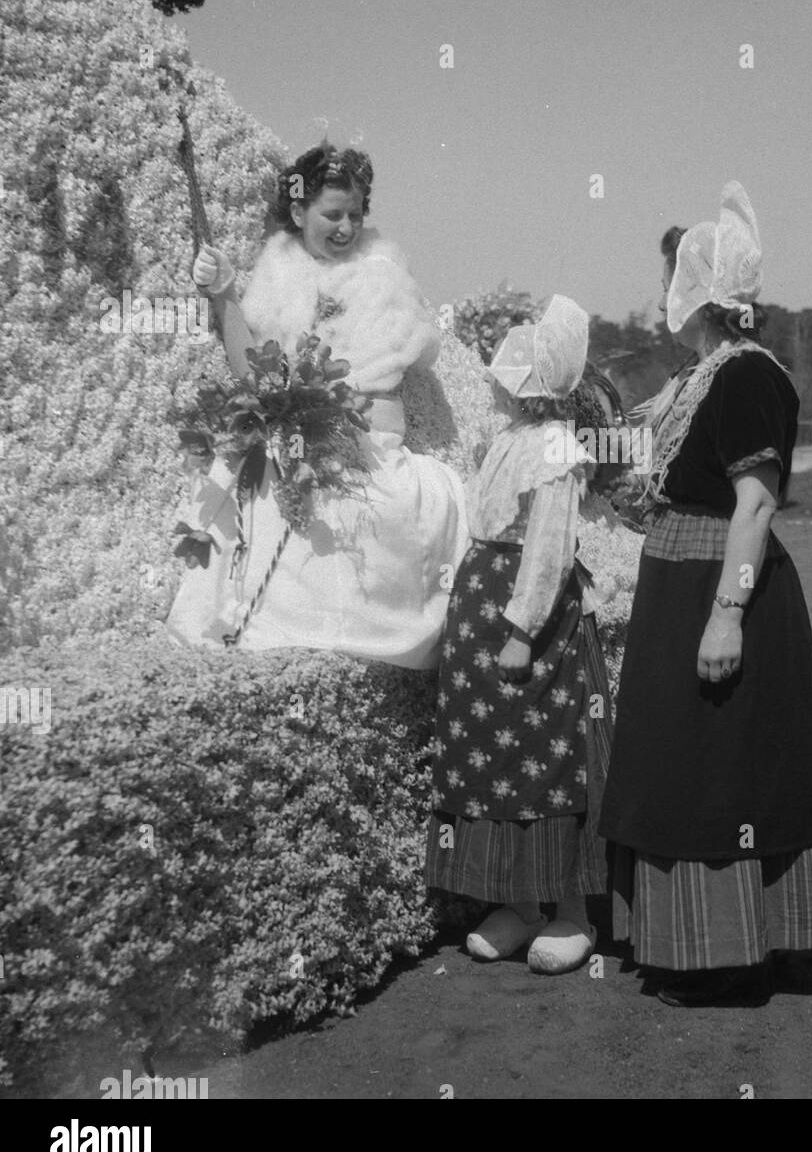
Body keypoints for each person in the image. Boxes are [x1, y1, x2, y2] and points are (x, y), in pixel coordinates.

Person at [599, 182, 812, 1007]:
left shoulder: (746, 378)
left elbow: (754, 503)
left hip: (718, 582)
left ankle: (733, 951)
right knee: (686, 760)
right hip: (682, 573)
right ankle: (710, 943)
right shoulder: (703, 377)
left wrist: (726, 615)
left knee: (721, 768)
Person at [167, 143, 468, 667]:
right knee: (253, 480)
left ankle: (346, 630)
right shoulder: (280, 272)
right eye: (332, 214)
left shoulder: (381, 276)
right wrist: (226, 296)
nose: (346, 228)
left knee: (358, 502)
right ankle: (253, 623)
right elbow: (254, 374)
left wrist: (337, 418)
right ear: (299, 210)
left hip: (367, 443)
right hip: (304, 435)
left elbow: (383, 384)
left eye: (355, 214)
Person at [426, 295, 612, 975]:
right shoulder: (508, 442)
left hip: (528, 620)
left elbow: (550, 549)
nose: (497, 387)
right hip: (484, 607)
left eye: (508, 380)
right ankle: (519, 902)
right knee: (493, 759)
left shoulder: (555, 450)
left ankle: (572, 911)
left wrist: (521, 628)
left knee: (548, 757)